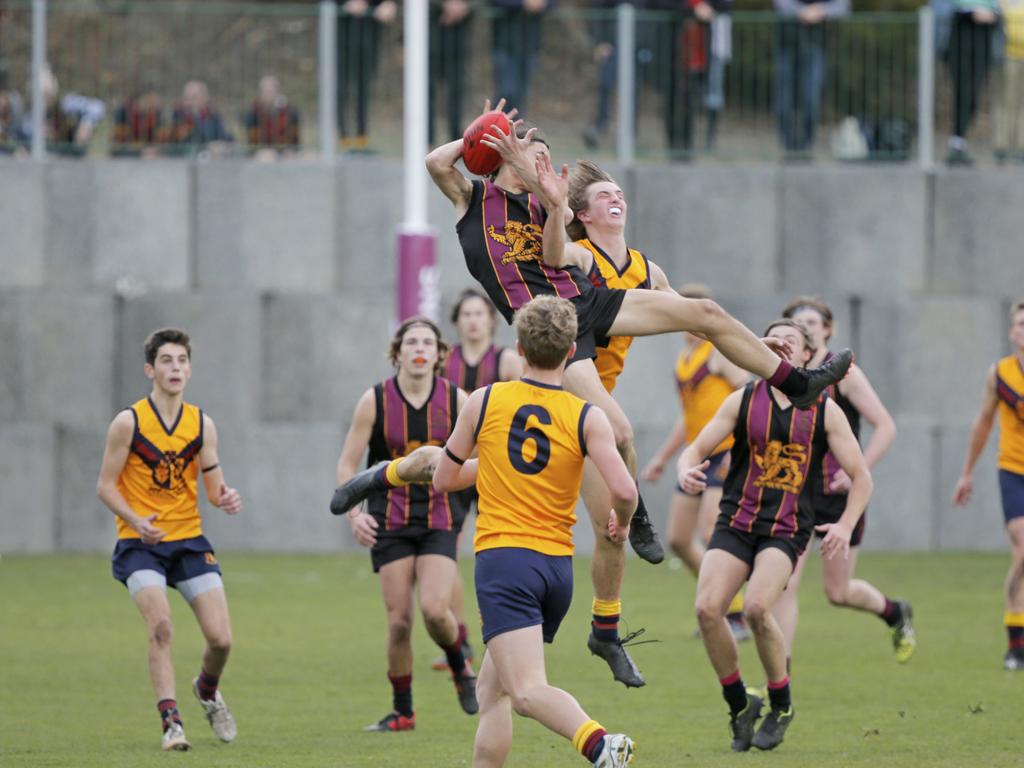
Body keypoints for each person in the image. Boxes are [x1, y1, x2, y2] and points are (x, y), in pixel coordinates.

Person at [426, 101, 852, 676]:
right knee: (617, 455)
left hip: (583, 306)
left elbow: (557, 252)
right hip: (552, 330)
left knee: (702, 310)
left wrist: (553, 200)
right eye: (534, 154)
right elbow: (437, 161)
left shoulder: (545, 203)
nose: (544, 164)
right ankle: (638, 522)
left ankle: (795, 381)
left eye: (546, 157)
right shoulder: (473, 200)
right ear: (504, 157)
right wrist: (483, 133)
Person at [433, 294, 638, 768]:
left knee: (525, 693)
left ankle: (602, 744)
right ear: (571, 352)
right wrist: (622, 524)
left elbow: (444, 479)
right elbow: (625, 490)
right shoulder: (587, 416)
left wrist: (486, 464)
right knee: (493, 690)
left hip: (506, 562)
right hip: (556, 570)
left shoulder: (485, 401)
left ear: (518, 350)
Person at [678, 318, 872, 752]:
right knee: (708, 609)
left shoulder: (824, 410)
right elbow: (696, 448)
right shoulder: (744, 398)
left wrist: (843, 524)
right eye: (775, 340)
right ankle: (739, 703)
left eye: (794, 341)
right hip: (736, 520)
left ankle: (781, 701)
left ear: (807, 357)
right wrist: (684, 468)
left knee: (758, 609)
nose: (783, 345)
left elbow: (862, 477)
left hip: (785, 529)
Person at [96, 329, 242, 752]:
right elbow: (106, 486)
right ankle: (171, 724)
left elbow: (214, 489)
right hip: (140, 545)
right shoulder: (129, 423)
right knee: (160, 627)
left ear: (190, 369)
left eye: (181, 361)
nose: (175, 368)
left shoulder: (201, 424)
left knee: (221, 640)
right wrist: (136, 520)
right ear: (150, 369)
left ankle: (207, 690)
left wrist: (226, 497)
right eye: (166, 361)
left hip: (188, 542)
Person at [333, 317, 478, 732]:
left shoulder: (458, 400)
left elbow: (480, 457)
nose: (419, 348)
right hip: (389, 520)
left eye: (427, 342)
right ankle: (403, 712)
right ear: (397, 352)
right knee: (399, 622)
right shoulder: (375, 400)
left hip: (439, 518)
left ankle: (459, 666)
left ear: (438, 354)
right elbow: (348, 464)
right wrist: (354, 515)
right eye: (411, 341)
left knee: (435, 610)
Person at [770, 297, 914, 671]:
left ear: (827, 330)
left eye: (813, 323)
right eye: (797, 323)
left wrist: (856, 470)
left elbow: (885, 425)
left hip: (839, 495)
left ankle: (895, 612)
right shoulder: (781, 376)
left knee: (838, 592)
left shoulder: (844, 373)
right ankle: (780, 677)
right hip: (796, 495)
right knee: (786, 584)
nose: (806, 328)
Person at [642, 284, 750, 640]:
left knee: (710, 531)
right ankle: (723, 604)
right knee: (678, 539)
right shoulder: (685, 358)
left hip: (726, 450)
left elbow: (745, 396)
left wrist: (743, 448)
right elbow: (689, 417)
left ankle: (734, 612)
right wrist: (662, 457)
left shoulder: (717, 352)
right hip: (698, 454)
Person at [430, 287, 523, 671]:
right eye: (465, 314)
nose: (472, 320)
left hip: (491, 466)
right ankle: (460, 636)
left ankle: (500, 632)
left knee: (495, 550)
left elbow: (521, 408)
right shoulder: (443, 362)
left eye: (479, 314)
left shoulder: (505, 361)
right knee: (445, 551)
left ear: (490, 320)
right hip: (453, 465)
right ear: (456, 322)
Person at [953, 298, 1024, 670]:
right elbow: (982, 424)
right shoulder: (1000, 374)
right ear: (1012, 331)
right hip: (1014, 471)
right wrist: (966, 473)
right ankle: (1016, 645)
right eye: (1021, 324)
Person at [773, 0, 849, 156]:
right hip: (786, 42)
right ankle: (787, 143)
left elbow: (843, 6)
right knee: (783, 95)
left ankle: (807, 142)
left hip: (816, 44)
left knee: (811, 95)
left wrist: (821, 10)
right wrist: (800, 11)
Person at [336, 0, 398, 152]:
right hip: (341, 40)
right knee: (340, 89)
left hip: (368, 40)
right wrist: (346, 6)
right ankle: (341, 140)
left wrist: (389, 5)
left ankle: (361, 139)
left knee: (363, 89)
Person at [945, 0, 1000, 164]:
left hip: (981, 53)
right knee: (962, 94)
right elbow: (953, 12)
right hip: (959, 51)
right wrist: (972, 15)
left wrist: (988, 17)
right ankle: (957, 142)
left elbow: (996, 18)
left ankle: (960, 140)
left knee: (973, 98)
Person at [490, 1, 549, 119]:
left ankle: (514, 132)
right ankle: (493, 129)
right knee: (506, 93)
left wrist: (542, 3)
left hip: (530, 45)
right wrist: (523, 3)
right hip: (505, 44)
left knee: (521, 95)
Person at [430, 0, 474, 144]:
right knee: (426, 93)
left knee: (456, 94)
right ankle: (426, 138)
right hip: (430, 42)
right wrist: (443, 5)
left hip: (459, 45)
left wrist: (465, 7)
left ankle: (456, 140)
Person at [994, 0, 1024, 162]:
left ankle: (1021, 147)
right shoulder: (1000, 3)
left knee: (1021, 104)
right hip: (1007, 58)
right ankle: (1002, 146)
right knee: (1005, 102)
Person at [244, 75, 300, 157]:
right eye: (266, 91)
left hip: (285, 154)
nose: (269, 95)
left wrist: (292, 151)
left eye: (272, 91)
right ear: (261, 92)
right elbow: (252, 144)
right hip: (261, 155)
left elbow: (295, 141)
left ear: (278, 92)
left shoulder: (290, 112)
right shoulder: (253, 113)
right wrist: (260, 152)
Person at [171, 81, 233, 153]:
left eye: (194, 97)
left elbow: (226, 138)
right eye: (187, 98)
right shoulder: (178, 116)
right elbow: (176, 143)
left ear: (204, 98)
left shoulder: (213, 115)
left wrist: (221, 145)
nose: (190, 102)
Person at [113, 86, 167, 158]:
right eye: (150, 99)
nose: (153, 103)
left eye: (155, 100)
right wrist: (140, 152)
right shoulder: (125, 114)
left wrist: (157, 150)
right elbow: (117, 148)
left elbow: (166, 144)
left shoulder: (156, 116)